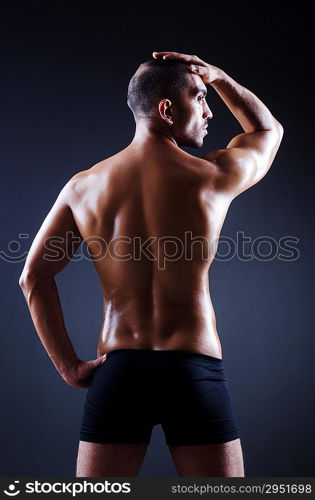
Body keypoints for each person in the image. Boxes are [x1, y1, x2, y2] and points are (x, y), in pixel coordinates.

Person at [18, 50, 284, 477]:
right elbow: (267, 129)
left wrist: (69, 366)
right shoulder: (211, 176)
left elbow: (33, 277)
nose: (208, 112)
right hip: (192, 370)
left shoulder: (83, 187)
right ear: (166, 108)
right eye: (199, 97)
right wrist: (220, 77)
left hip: (120, 372)